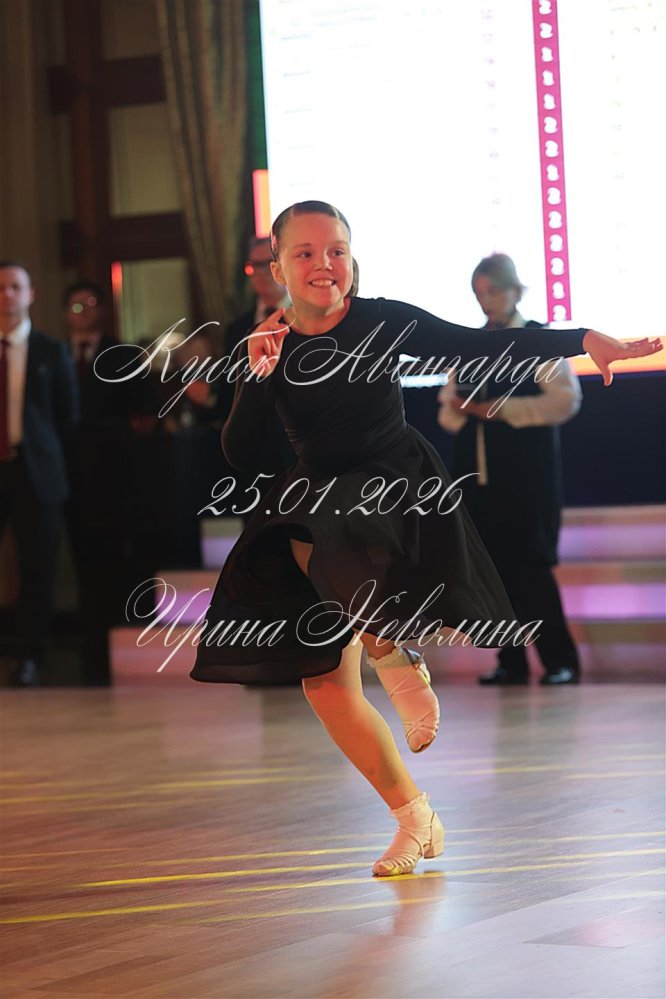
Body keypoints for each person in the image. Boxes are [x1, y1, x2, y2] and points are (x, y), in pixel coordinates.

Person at [189, 202, 661, 877]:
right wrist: (257, 376)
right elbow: (240, 453)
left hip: (393, 485)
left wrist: (585, 339)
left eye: (337, 250)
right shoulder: (269, 343)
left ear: (352, 258)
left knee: (328, 522)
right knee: (324, 684)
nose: (324, 264)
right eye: (305, 253)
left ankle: (394, 653)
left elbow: (481, 346)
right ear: (278, 267)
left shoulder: (382, 320)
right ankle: (416, 817)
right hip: (319, 495)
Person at [438, 253, 582, 686]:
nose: (487, 301)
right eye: (480, 293)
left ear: (516, 291)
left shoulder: (538, 340)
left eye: (495, 291)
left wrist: (499, 409)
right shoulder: (470, 344)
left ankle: (560, 660)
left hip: (526, 480)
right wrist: (464, 409)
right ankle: (511, 660)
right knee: (493, 573)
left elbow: (565, 400)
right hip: (478, 480)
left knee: (531, 568)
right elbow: (446, 414)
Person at [0, 261, 78, 685]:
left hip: (36, 472)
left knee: (37, 569)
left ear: (30, 294)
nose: (7, 294)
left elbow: (68, 416)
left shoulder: (51, 350)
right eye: (1, 287)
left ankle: (31, 657)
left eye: (15, 286)